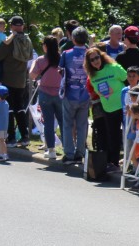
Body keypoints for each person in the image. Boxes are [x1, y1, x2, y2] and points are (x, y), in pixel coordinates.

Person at [0, 16, 33, 146]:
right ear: (23, 26)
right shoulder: (28, 40)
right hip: (21, 80)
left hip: (8, 79)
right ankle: (25, 136)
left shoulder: (10, 41)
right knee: (20, 108)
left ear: (11, 26)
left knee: (8, 109)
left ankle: (11, 138)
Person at [84, 47, 128, 168]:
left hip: (123, 106)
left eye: (97, 57)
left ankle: (130, 162)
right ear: (89, 63)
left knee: (128, 135)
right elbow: (97, 92)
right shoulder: (92, 76)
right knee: (112, 136)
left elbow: (128, 81)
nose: (95, 61)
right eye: (92, 60)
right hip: (108, 109)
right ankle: (113, 162)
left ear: (101, 56)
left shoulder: (114, 67)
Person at [59, 26, 91, 164]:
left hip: (69, 93)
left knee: (67, 124)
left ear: (73, 38)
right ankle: (80, 153)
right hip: (85, 93)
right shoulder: (90, 53)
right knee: (82, 125)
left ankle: (69, 154)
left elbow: (60, 70)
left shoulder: (66, 54)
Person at [30, 35, 64, 160]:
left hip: (45, 93)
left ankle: (51, 150)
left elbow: (32, 75)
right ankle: (67, 149)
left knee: (48, 123)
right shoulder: (62, 59)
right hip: (60, 93)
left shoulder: (40, 60)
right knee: (63, 122)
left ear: (45, 46)